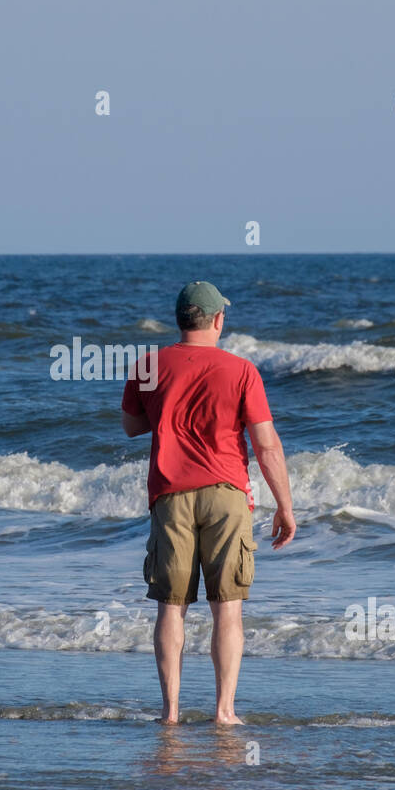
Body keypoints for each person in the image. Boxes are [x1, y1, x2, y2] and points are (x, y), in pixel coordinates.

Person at [121, 281, 295, 725]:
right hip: (227, 494)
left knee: (171, 605)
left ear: (180, 320)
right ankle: (224, 712)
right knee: (227, 606)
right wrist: (284, 506)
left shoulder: (147, 366)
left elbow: (131, 425)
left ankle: (170, 712)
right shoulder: (242, 370)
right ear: (218, 320)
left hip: (169, 495)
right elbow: (266, 445)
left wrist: (171, 408)